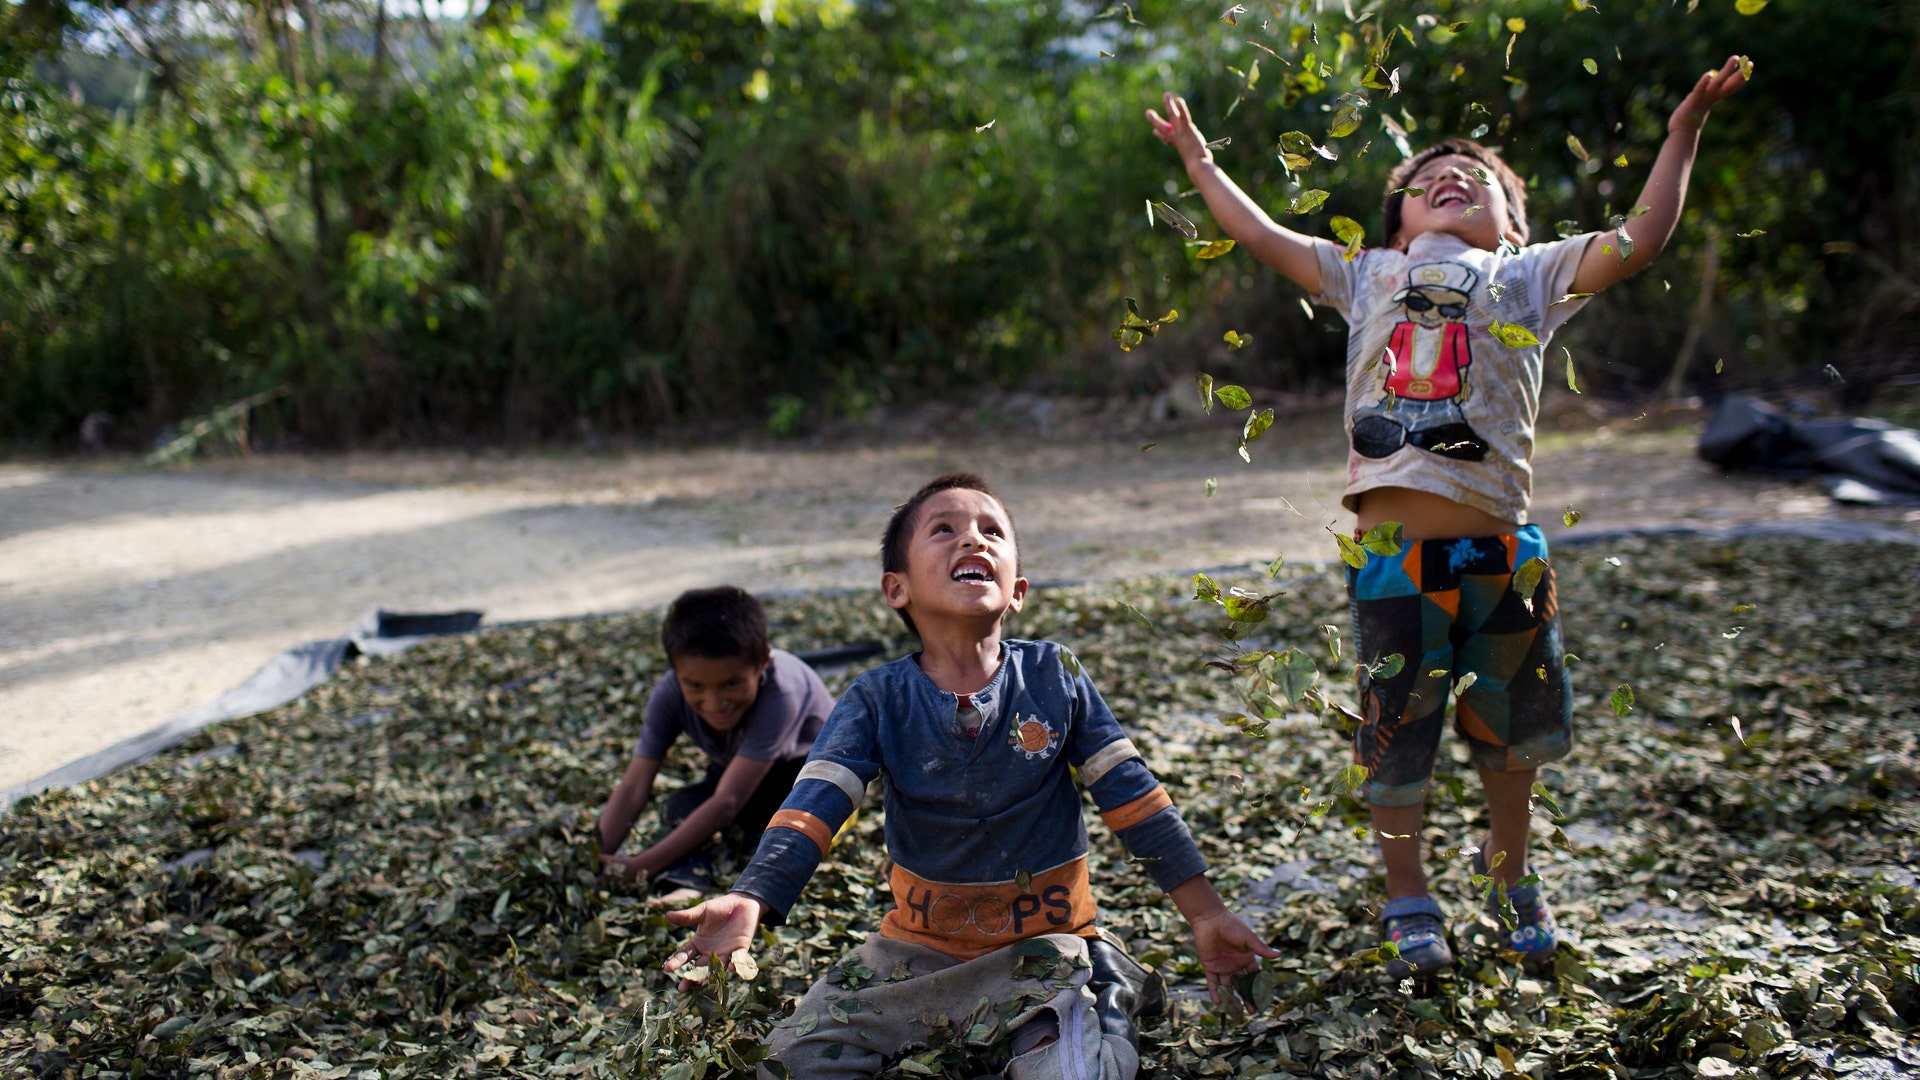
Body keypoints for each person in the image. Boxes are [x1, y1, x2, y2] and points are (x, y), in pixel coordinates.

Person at [1147, 58, 1749, 976]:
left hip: (1503, 555)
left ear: (1516, 227)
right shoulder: (1368, 273)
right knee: (1396, 736)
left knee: (1514, 741)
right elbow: (1260, 233)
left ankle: (1510, 868)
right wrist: (1198, 164)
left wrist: (1683, 133)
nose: (1450, 176)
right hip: (1392, 561)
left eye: (1477, 181)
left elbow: (1641, 238)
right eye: (1428, 181)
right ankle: (1407, 891)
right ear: (1398, 224)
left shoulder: (1531, 277)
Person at [664, 473, 1279, 1080]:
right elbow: (815, 806)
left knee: (1072, 1067)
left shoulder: (1055, 674)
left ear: (1018, 591)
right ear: (896, 589)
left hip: (1044, 951)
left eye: (992, 531)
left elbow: (1134, 799)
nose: (972, 541)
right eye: (945, 530)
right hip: (910, 958)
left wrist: (1205, 915)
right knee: (790, 1061)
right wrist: (753, 895)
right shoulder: (877, 698)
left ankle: (1098, 992)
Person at [597, 585, 834, 906]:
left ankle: (692, 885)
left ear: (762, 663)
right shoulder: (669, 694)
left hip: (812, 788)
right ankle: (684, 879)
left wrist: (642, 865)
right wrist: (596, 856)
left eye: (732, 683)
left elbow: (728, 802)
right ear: (675, 672)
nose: (714, 702)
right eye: (694, 685)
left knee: (774, 836)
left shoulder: (782, 693)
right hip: (743, 771)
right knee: (681, 807)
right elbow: (635, 786)